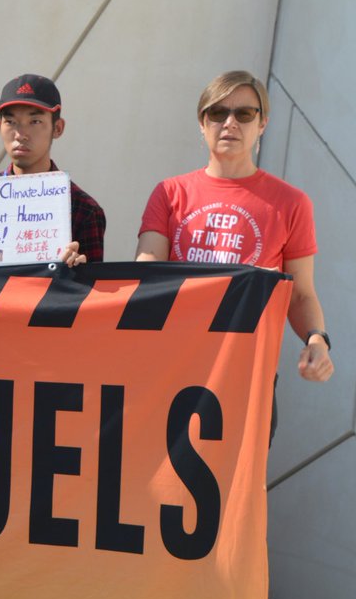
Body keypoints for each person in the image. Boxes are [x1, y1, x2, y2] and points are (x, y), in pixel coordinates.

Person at [136, 70, 333, 384]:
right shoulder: (170, 193)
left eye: (244, 114)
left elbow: (299, 296)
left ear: (262, 124)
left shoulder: (292, 203)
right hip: (170, 369)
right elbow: (146, 279)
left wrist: (317, 341)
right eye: (218, 113)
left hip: (248, 377)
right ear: (202, 124)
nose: (230, 123)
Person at [0, 74, 106, 263]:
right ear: (0, 126)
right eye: (11, 121)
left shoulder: (84, 210)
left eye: (35, 122)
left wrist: (76, 272)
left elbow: (92, 290)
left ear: (57, 128)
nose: (21, 134)